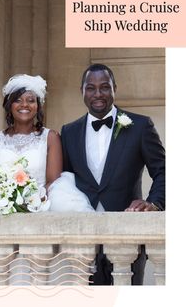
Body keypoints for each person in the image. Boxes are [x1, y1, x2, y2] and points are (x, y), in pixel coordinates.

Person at [61, 63, 165, 285]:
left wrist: (153, 203)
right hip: (83, 236)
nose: (98, 94)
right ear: (82, 91)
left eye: (105, 87)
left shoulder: (140, 126)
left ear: (115, 88)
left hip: (128, 233)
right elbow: (64, 181)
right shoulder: (68, 132)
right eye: (91, 88)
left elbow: (163, 171)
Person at [0, 73, 94, 212]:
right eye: (17, 100)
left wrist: (27, 202)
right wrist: (6, 199)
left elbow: (54, 183)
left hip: (39, 210)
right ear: (9, 105)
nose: (24, 104)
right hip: (1, 212)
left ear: (37, 106)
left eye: (30, 100)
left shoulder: (51, 138)